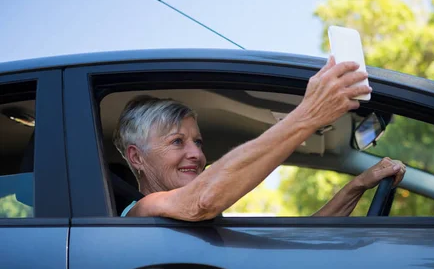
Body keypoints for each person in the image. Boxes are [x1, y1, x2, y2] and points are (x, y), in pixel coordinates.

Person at [113, 58, 406, 220]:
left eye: (198, 142)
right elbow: (202, 200)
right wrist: (308, 115)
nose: (196, 154)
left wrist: (356, 187)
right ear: (136, 157)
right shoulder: (140, 214)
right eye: (177, 141)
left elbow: (306, 239)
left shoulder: (201, 218)